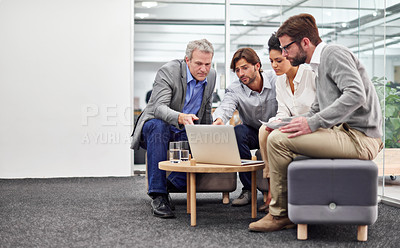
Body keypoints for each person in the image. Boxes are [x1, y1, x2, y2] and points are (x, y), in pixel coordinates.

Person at [249, 13, 383, 232]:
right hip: (345, 133)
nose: (284, 54)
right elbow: (317, 110)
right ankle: (296, 206)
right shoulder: (318, 66)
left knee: (278, 141)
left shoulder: (333, 54)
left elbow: (356, 94)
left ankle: (280, 215)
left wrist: (312, 123)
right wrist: (286, 122)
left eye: (286, 48)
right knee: (277, 133)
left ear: (305, 42)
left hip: (361, 138)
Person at [130, 39, 216, 218]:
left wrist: (210, 133)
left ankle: (168, 183)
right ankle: (158, 195)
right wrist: (179, 117)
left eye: (207, 64)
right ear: (187, 60)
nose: (204, 69)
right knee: (159, 126)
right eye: (198, 63)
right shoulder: (168, 71)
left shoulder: (212, 75)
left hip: (186, 128)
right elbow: (158, 107)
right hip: (156, 125)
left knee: (202, 139)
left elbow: (206, 109)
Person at [257, 34, 316, 213]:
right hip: (291, 126)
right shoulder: (280, 81)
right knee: (263, 130)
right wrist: (274, 122)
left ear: (289, 56)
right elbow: (282, 111)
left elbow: (319, 112)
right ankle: (271, 190)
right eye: (271, 61)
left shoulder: (311, 75)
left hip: (311, 128)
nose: (274, 65)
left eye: (278, 60)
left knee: (274, 135)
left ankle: (278, 195)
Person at [212, 47, 278, 206]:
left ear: (257, 65)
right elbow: (226, 107)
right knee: (238, 132)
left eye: (245, 68)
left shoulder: (276, 80)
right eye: (237, 70)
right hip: (253, 131)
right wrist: (219, 119)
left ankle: (273, 190)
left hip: (276, 130)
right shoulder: (235, 89)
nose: (241, 74)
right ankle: (248, 189)